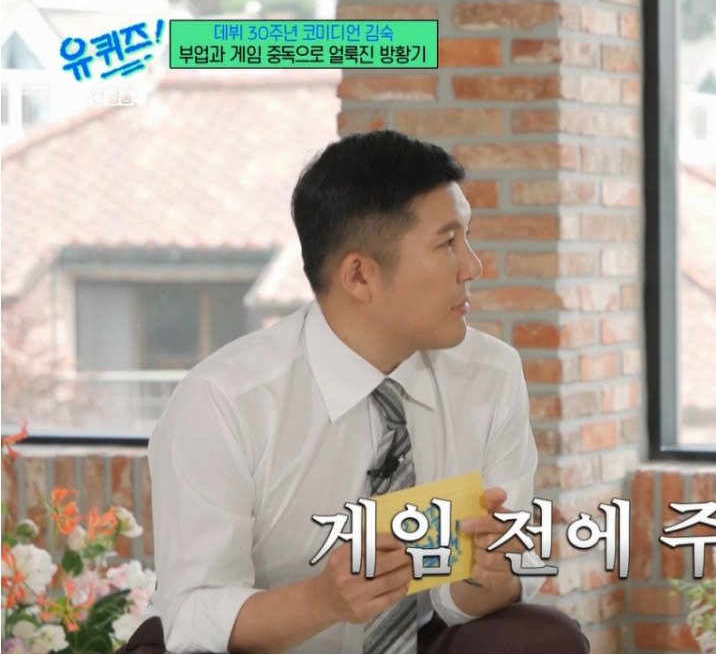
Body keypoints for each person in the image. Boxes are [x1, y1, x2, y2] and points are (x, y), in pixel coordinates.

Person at [136, 130, 589, 654]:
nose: (472, 266)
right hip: (274, 647)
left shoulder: (491, 374)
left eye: (467, 237)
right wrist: (324, 600)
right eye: (447, 243)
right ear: (358, 276)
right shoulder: (223, 402)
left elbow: (472, 593)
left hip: (420, 640)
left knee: (542, 638)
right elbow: (192, 616)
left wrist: (487, 573)